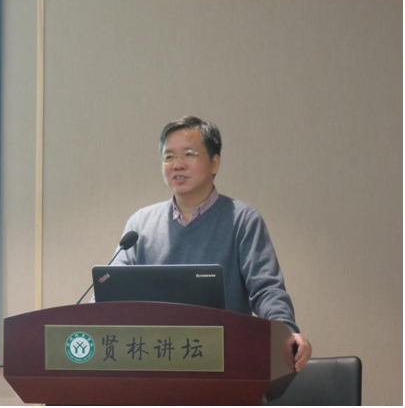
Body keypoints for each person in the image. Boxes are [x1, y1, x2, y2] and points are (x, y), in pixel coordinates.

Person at [111, 116, 312, 372]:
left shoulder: (242, 219)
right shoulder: (141, 223)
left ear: (214, 163)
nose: (177, 164)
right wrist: (84, 320)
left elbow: (266, 289)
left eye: (189, 154)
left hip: (225, 364)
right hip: (153, 363)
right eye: (169, 156)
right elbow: (111, 289)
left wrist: (287, 331)